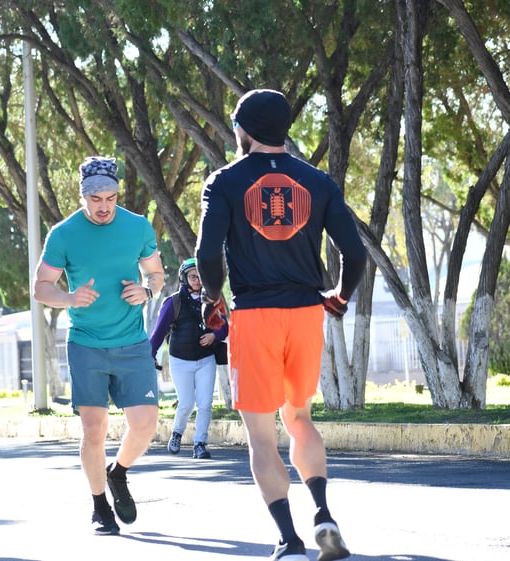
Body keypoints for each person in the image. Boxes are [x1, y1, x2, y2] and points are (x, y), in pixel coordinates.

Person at [196, 89, 366, 561]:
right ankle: (324, 514)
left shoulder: (224, 181)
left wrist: (214, 298)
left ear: (243, 132)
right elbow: (355, 254)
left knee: (261, 434)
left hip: (254, 316)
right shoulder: (318, 181)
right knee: (300, 417)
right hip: (307, 313)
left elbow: (208, 254)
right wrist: (340, 296)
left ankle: (289, 540)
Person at [33, 156, 165, 536]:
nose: (104, 206)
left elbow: (156, 274)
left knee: (145, 425)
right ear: (82, 197)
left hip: (132, 341)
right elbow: (41, 287)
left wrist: (146, 291)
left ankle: (118, 472)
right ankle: (99, 507)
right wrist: (70, 298)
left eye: (110, 198)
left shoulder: (137, 226)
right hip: (87, 344)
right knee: (94, 429)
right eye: (96, 200)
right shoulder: (63, 234)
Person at [148, 258, 227, 459]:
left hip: (206, 360)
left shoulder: (213, 299)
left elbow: (226, 325)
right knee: (186, 403)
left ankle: (200, 443)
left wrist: (214, 336)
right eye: (192, 276)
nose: (197, 280)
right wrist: (149, 355)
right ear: (185, 277)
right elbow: (158, 333)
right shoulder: (173, 302)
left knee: (205, 404)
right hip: (180, 361)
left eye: (200, 276)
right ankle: (177, 433)